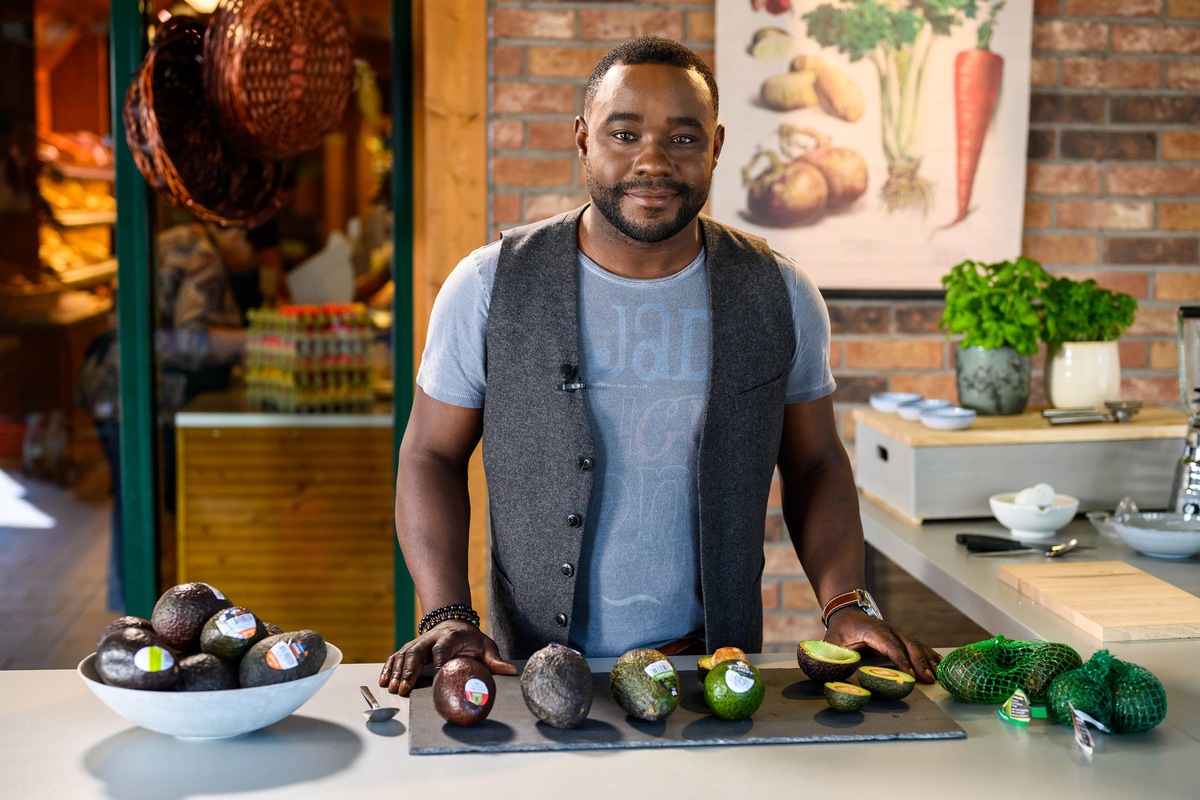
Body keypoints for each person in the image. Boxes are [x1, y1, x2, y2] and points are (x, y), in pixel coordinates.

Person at [379, 36, 940, 696]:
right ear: (584, 140)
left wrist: (846, 603)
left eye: (682, 138)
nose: (653, 161)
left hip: (712, 673)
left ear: (716, 146)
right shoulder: (488, 286)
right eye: (625, 134)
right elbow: (428, 457)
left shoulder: (779, 293)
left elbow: (815, 463)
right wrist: (447, 612)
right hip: (530, 670)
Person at [78, 219, 253, 610]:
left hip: (113, 389)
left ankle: (136, 613)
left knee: (133, 505)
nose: (249, 262)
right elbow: (187, 341)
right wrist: (261, 337)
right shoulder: (203, 255)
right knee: (148, 510)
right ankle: (146, 617)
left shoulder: (177, 237)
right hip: (141, 397)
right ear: (238, 233)